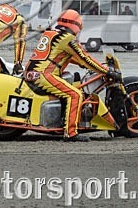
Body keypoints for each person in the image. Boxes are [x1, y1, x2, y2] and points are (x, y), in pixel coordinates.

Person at [24, 10, 121, 142]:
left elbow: (62, 56)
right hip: (43, 75)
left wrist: (82, 64)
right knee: (75, 95)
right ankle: (70, 133)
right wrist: (106, 71)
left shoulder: (51, 33)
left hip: (32, 72)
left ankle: (64, 119)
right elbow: (85, 58)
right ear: (75, 25)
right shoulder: (67, 38)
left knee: (71, 84)